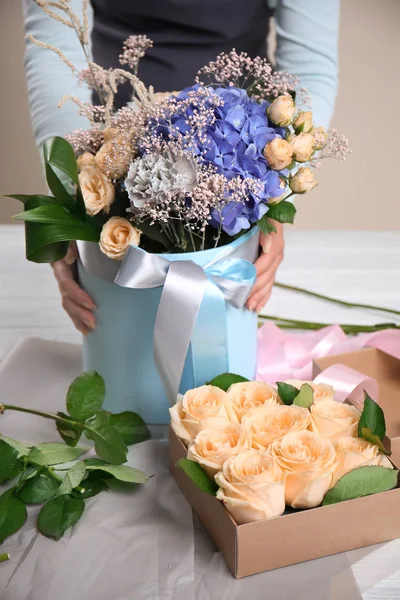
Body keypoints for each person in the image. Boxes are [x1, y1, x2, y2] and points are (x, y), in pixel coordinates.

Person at [23, 0, 340, 335]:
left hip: (238, 159)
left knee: (218, 333)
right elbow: (53, 52)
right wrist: (72, 191)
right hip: (116, 145)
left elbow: (310, 65)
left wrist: (275, 187)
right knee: (125, 331)